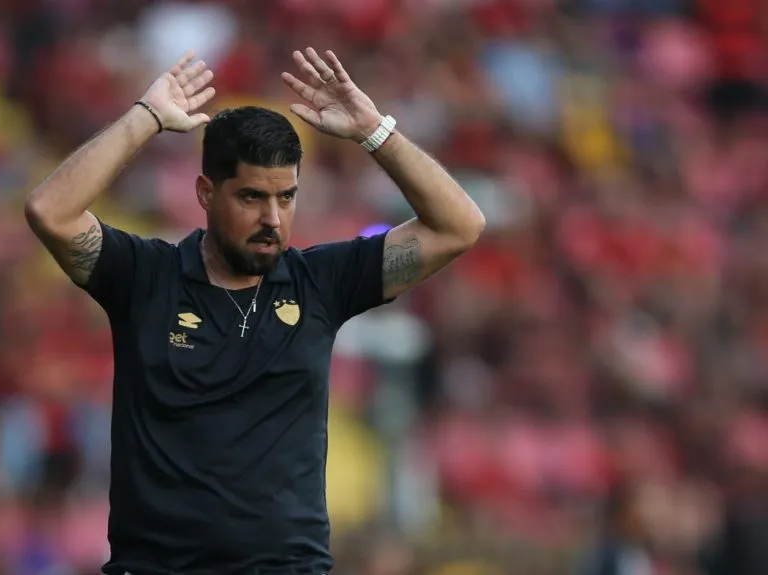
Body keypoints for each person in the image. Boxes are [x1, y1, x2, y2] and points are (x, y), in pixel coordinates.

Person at [25, 47, 485, 575]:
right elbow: (51, 212)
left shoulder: (321, 283)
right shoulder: (146, 278)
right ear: (205, 192)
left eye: (286, 197)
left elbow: (460, 226)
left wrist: (372, 131)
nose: (272, 218)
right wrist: (145, 119)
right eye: (250, 198)